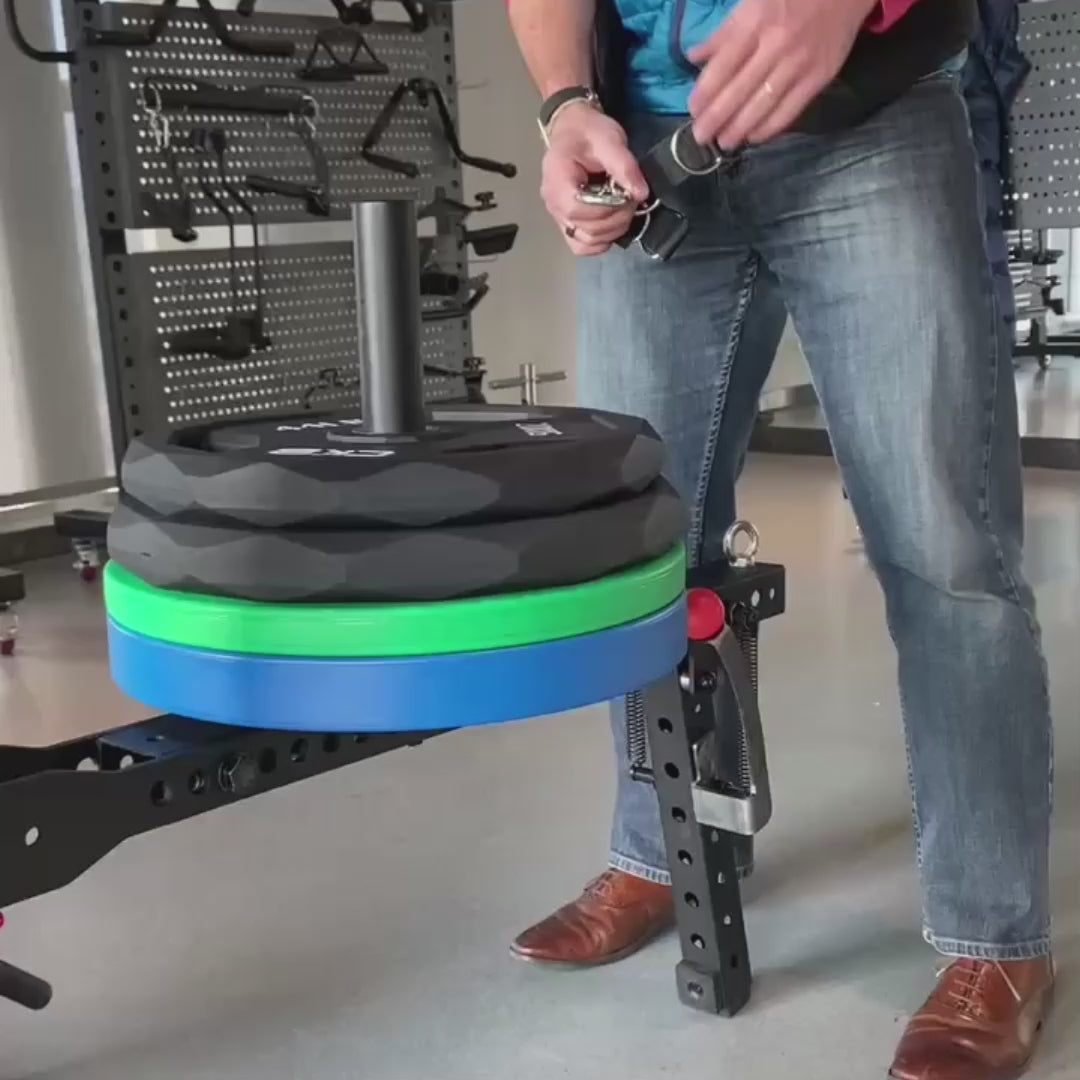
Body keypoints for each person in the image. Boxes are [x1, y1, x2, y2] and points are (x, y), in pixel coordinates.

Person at [503, 1, 1055, 1078]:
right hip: (648, 151)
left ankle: (996, 941)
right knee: (641, 555)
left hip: (871, 123)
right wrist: (566, 107)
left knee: (947, 553)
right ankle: (664, 850)